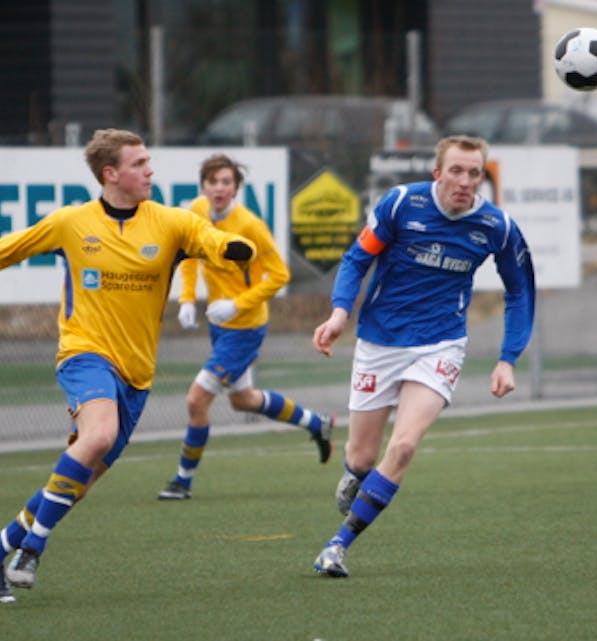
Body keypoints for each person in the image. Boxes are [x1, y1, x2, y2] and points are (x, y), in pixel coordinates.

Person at [0, 129, 256, 602]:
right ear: (110, 174)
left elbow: (210, 238)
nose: (150, 170)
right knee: (96, 436)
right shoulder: (70, 223)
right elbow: (8, 249)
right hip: (84, 352)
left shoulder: (170, 222)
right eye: (139, 164)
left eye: (148, 161)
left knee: (81, 479)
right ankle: (33, 547)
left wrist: (232, 249)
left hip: (137, 373)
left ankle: (1, 549)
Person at [309, 135, 535, 578]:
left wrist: (508, 357)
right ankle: (356, 473)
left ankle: (337, 546)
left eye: (474, 173)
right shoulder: (400, 204)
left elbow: (520, 290)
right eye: (456, 170)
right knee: (361, 456)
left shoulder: (497, 228)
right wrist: (339, 315)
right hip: (379, 341)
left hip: (440, 344)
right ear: (437, 173)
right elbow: (357, 259)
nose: (465, 181)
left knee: (406, 444)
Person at [157, 154, 333, 501]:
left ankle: (182, 481)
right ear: (204, 186)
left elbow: (280, 274)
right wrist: (189, 299)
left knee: (196, 399)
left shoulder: (250, 225)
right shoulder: (196, 211)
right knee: (243, 400)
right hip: (220, 326)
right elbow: (189, 254)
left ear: (236, 188)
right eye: (213, 181)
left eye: (226, 182)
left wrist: (237, 304)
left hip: (246, 327)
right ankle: (317, 423)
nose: (219, 188)